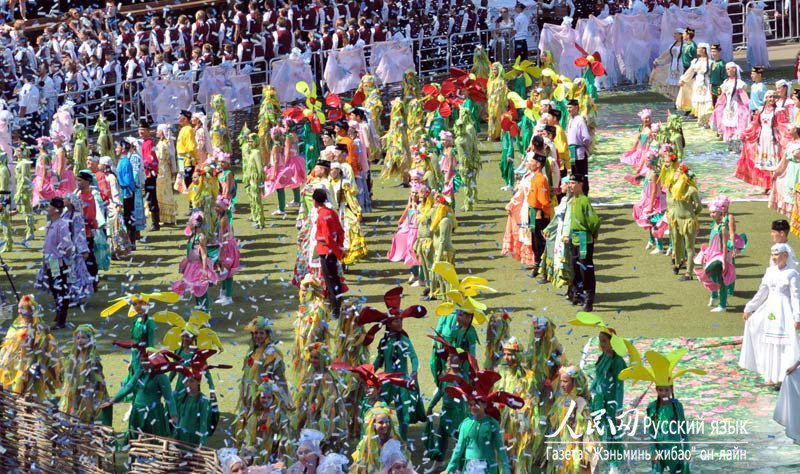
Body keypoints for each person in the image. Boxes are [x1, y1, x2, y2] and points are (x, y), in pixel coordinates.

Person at [618, 349, 705, 474]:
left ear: (671, 389)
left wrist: (686, 450)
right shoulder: (652, 407)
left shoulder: (677, 406)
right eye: (660, 390)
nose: (663, 393)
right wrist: (654, 452)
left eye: (666, 390)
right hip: (659, 451)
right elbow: (652, 432)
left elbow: (683, 431)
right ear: (656, 390)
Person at [359, 287, 427, 439]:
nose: (400, 322)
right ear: (389, 324)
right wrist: (369, 373)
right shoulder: (384, 341)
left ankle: (401, 440)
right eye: (396, 320)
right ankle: (379, 437)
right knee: (379, 408)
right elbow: (379, 360)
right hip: (386, 381)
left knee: (403, 414)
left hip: (402, 381)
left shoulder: (404, 340)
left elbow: (414, 357)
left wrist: (414, 372)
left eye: (401, 319)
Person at [740, 243, 800, 387]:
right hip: (771, 309)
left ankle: (782, 376)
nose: (774, 258)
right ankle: (770, 375)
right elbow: (762, 292)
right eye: (772, 255)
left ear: (785, 256)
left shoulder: (792, 274)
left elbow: (795, 296)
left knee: (783, 342)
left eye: (777, 254)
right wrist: (750, 307)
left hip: (784, 310)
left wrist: (797, 316)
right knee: (769, 340)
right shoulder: (770, 272)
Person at [442, 368, 524, 474]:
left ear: (485, 404)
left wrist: (506, 470)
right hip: (469, 469)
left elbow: (500, 448)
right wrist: (449, 470)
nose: (473, 407)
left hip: (488, 469)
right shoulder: (465, 424)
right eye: (470, 404)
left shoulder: (492, 423)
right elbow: (459, 449)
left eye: (477, 404)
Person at [0, 295, 61, 400]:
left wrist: (35, 364)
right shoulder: (16, 326)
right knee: (16, 389)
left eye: (23, 309)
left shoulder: (39, 329)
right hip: (16, 365)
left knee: (31, 391)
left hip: (32, 365)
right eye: (19, 308)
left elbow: (45, 349)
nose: (19, 311)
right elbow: (8, 346)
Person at [58, 324, 111, 425]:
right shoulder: (73, 355)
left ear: (90, 339)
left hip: (87, 393)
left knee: (84, 416)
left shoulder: (93, 358)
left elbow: (98, 378)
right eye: (77, 338)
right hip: (74, 390)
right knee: (72, 413)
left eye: (83, 338)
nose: (80, 341)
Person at [37, 197, 74, 328]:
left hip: (57, 262)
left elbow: (67, 245)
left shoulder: (61, 225)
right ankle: (58, 316)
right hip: (49, 261)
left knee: (60, 289)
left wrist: (63, 259)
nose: (48, 209)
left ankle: (61, 319)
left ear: (56, 210)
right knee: (54, 288)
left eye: (50, 207)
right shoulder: (50, 224)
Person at [171, 210, 219, 312]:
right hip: (191, 266)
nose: (189, 224)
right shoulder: (193, 236)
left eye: (190, 222)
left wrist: (205, 271)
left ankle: (205, 313)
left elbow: (204, 256)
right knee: (195, 290)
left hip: (198, 268)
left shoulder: (200, 237)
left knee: (201, 290)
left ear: (196, 224)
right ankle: (199, 311)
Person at [568, 174, 600, 311]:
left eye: (572, 182)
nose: (570, 185)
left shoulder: (584, 201)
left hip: (583, 238)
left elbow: (594, 221)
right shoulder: (573, 200)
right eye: (568, 183)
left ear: (580, 184)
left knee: (585, 268)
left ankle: (589, 297)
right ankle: (577, 293)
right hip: (574, 238)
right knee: (575, 266)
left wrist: (592, 233)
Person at [314, 187, 346, 319]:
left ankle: (335, 309)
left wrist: (337, 251)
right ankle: (337, 305)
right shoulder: (331, 212)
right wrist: (340, 248)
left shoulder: (322, 216)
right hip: (333, 251)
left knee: (331, 282)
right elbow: (340, 231)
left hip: (326, 252)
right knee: (335, 279)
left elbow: (327, 237)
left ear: (314, 201)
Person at [668, 164, 702, 282]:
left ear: (684, 176)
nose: (675, 174)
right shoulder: (674, 188)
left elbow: (699, 207)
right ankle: (678, 263)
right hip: (676, 220)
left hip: (688, 222)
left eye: (678, 172)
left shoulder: (692, 190)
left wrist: (692, 216)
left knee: (689, 247)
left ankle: (689, 272)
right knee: (676, 242)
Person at [709, 62, 751, 146]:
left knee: (736, 121)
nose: (727, 71)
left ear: (734, 70)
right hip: (728, 106)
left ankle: (736, 140)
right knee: (727, 120)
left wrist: (748, 107)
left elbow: (744, 97)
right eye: (726, 69)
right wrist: (718, 105)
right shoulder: (726, 82)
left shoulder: (738, 83)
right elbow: (723, 96)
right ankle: (729, 140)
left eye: (728, 69)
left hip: (736, 105)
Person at [528, 152, 552, 280]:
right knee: (534, 241)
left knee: (541, 242)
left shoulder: (542, 179)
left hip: (539, 214)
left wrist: (544, 214)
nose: (529, 164)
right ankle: (537, 265)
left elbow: (544, 201)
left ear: (538, 165)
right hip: (532, 213)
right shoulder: (534, 177)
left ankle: (545, 271)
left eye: (532, 162)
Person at [138, 119, 161, 231]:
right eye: (139, 130)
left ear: (147, 131)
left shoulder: (149, 143)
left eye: (142, 130)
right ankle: (154, 222)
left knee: (152, 198)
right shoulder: (144, 142)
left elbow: (150, 160)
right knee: (150, 197)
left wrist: (142, 164)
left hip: (149, 174)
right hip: (146, 173)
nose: (140, 132)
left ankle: (155, 223)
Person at [155, 124, 178, 225]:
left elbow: (165, 158)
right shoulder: (162, 143)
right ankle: (163, 216)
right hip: (162, 170)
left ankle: (167, 217)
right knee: (162, 193)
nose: (156, 132)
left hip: (163, 171)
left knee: (165, 193)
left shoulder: (165, 144)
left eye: (158, 131)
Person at [566, 98, 590, 182]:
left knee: (582, 175)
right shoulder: (570, 120)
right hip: (572, 152)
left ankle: (584, 192)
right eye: (568, 108)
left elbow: (586, 137)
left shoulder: (580, 120)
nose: (569, 110)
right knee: (574, 175)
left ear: (576, 108)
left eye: (571, 107)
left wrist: (585, 148)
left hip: (579, 151)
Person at [177, 109, 198, 188]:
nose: (178, 119)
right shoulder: (183, 129)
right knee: (185, 183)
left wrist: (196, 159)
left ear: (185, 119)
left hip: (188, 160)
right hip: (182, 160)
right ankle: (190, 199)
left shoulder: (188, 129)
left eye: (180, 117)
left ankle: (193, 200)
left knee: (189, 182)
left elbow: (191, 147)